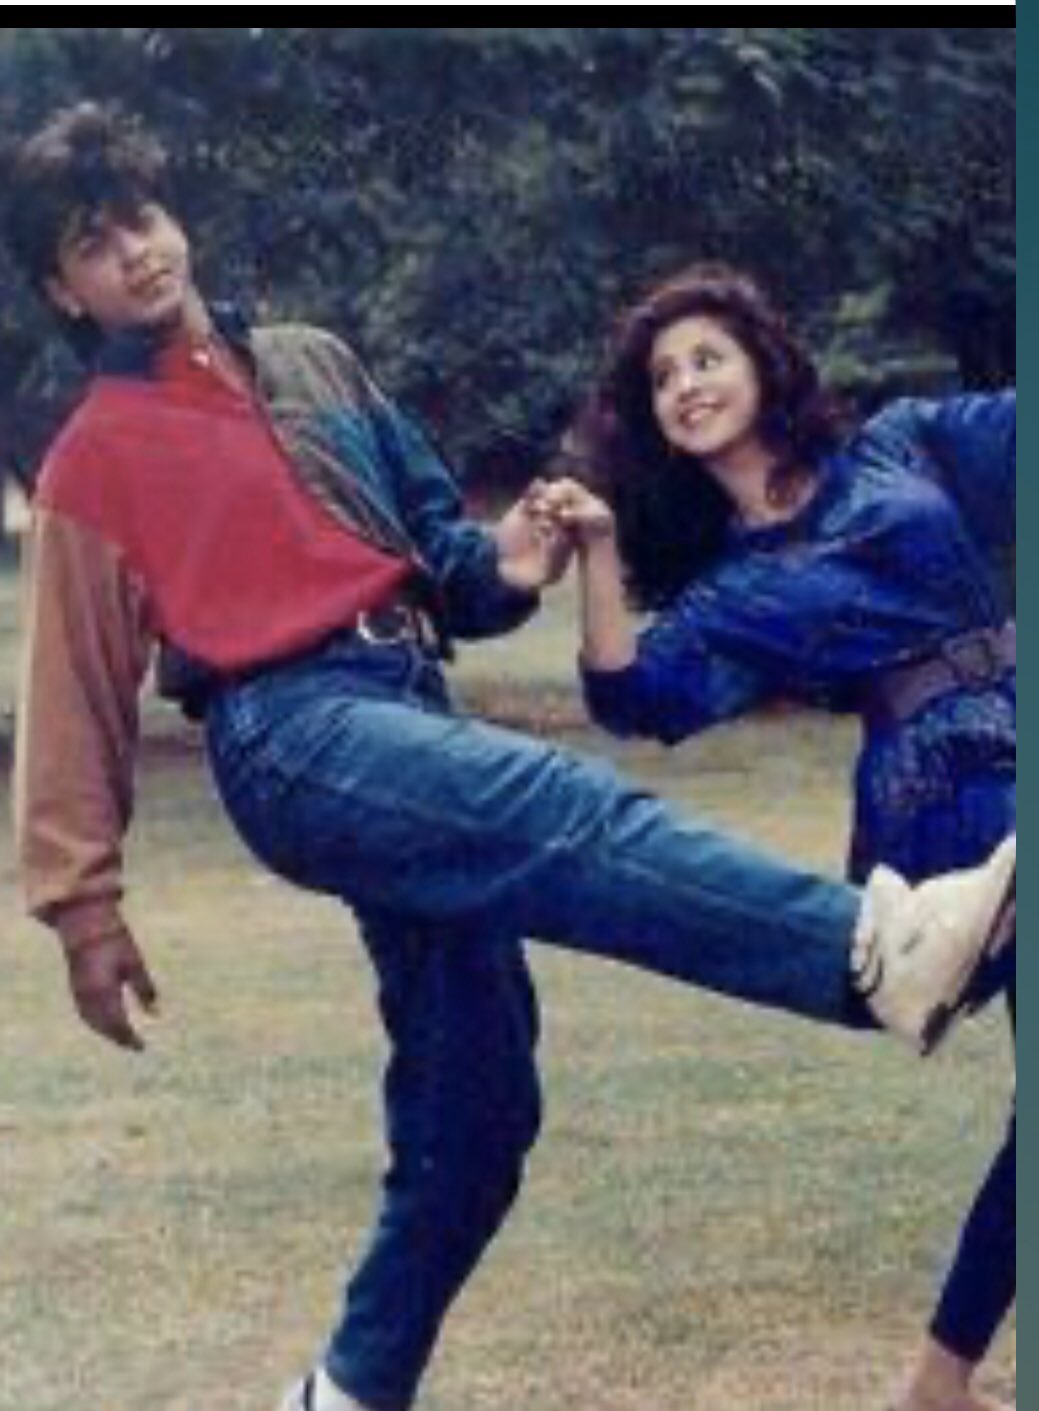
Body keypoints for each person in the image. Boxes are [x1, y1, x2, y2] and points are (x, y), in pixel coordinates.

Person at [4, 107, 1015, 1411]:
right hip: (291, 732)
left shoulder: (311, 361)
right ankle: (874, 952)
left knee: (473, 1114)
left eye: (141, 217)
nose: (136, 252)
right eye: (95, 245)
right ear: (62, 289)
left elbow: (443, 552)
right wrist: (81, 902)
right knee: (553, 804)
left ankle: (342, 1391)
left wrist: (513, 560)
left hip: (405, 709)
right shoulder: (90, 458)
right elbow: (74, 680)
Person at [531, 263, 1016, 1411]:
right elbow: (631, 697)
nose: (687, 384)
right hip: (944, 797)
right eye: (664, 377)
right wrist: (595, 549)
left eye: (707, 357)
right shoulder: (728, 593)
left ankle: (936, 1382)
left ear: (762, 364)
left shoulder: (900, 446)